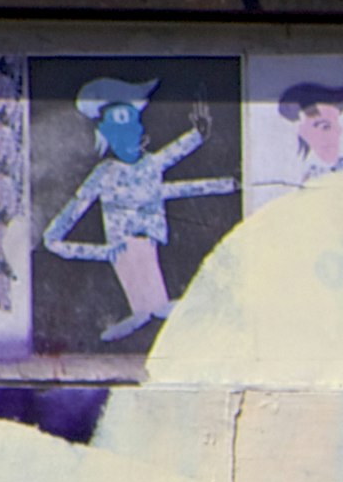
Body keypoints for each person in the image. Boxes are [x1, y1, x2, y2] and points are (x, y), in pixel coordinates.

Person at [40, 75, 233, 343]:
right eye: (120, 128)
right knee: (149, 306)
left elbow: (179, 180)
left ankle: (154, 312)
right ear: (105, 133)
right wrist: (104, 251)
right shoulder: (104, 174)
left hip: (147, 251)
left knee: (154, 307)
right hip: (125, 250)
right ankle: (148, 312)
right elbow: (53, 238)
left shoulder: (149, 166)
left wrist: (206, 146)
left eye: (133, 125)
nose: (131, 135)